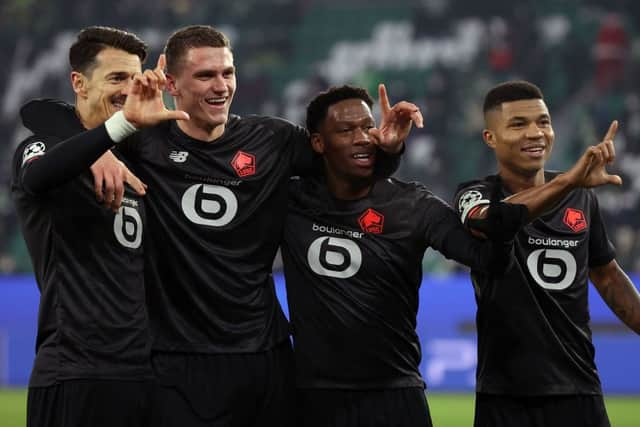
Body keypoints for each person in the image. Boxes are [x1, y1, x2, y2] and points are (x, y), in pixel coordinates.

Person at [28, 25, 422, 427]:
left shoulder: (273, 140)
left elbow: (349, 172)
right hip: (175, 363)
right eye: (205, 75)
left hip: (264, 356)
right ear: (172, 84)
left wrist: (389, 152)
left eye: (227, 73)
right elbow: (44, 114)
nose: (221, 86)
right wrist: (100, 147)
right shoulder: (144, 141)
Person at [279, 84, 626, 427]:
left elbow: (487, 257)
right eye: (346, 130)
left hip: (396, 395)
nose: (363, 137)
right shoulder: (289, 199)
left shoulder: (413, 205)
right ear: (318, 143)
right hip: (314, 397)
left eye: (368, 127)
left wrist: (390, 152)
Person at [12, 26, 187, 427]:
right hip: (75, 371)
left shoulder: (135, 155)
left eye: (133, 77)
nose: (128, 89)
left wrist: (109, 141)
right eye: (116, 78)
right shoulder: (40, 146)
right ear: (79, 82)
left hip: (143, 373)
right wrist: (105, 138)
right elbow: (37, 174)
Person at [453, 80, 640, 427]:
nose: (536, 133)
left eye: (543, 121)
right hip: (504, 396)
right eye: (518, 124)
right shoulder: (474, 194)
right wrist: (567, 182)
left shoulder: (582, 197)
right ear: (490, 138)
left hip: (579, 390)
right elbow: (495, 222)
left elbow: (608, 276)